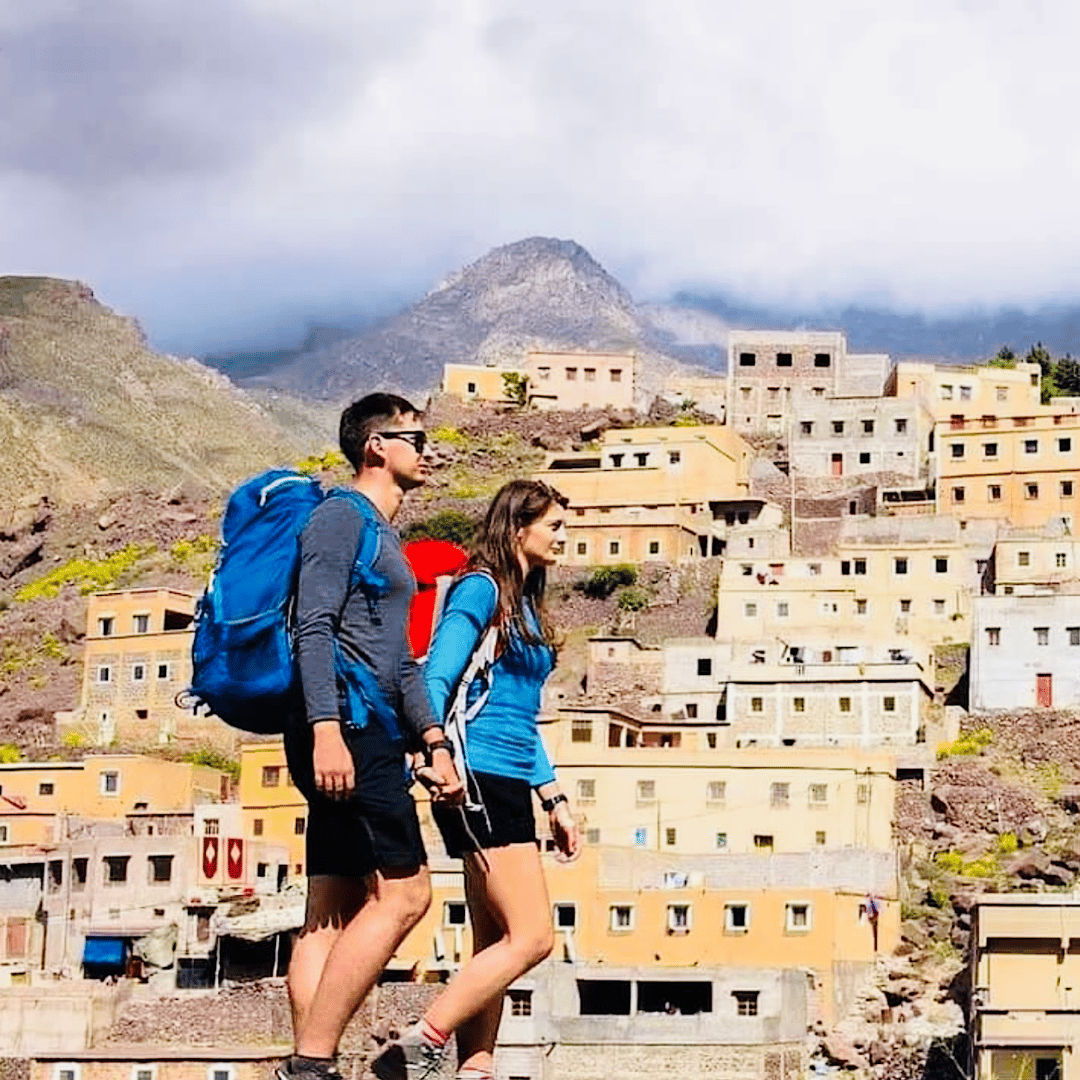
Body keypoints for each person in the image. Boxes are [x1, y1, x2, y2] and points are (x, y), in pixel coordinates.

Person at [278, 393, 464, 1080]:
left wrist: (434, 740)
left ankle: (311, 1064)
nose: (428, 450)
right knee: (407, 894)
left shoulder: (382, 536)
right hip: (347, 729)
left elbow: (401, 661)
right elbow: (313, 628)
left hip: (367, 726)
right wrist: (326, 730)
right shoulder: (340, 518)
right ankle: (312, 1064)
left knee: (331, 909)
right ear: (376, 446)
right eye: (416, 437)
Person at [372, 479, 580, 1080]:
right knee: (534, 937)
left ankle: (475, 1070)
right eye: (554, 526)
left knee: (493, 943)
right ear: (518, 528)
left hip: (507, 777)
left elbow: (520, 718)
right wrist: (436, 754)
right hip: (475, 776)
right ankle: (419, 1044)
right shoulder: (480, 589)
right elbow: (436, 677)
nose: (563, 538)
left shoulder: (524, 604)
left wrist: (554, 797)